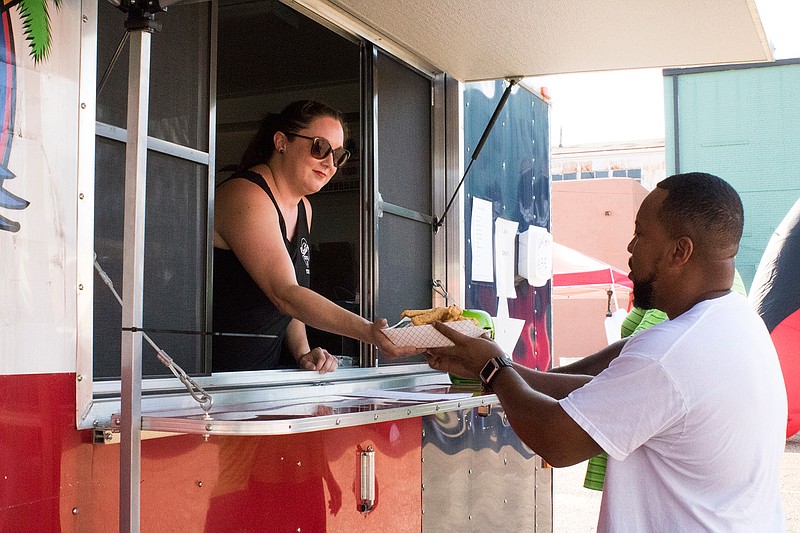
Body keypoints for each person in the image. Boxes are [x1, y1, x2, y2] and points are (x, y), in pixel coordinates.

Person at [425, 172, 788, 531]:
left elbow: (557, 441)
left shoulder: (668, 355)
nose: (630, 248)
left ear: (680, 251)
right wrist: (496, 364)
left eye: (640, 235)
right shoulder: (738, 322)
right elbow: (613, 374)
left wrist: (494, 370)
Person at [213, 100, 417, 373]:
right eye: (319, 147)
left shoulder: (303, 207)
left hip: (262, 379)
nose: (330, 163)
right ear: (281, 142)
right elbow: (284, 294)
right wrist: (369, 332)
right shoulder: (246, 194)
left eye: (339, 155)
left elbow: (294, 299)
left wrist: (303, 353)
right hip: (214, 377)